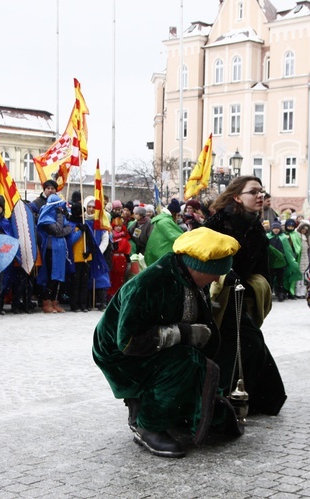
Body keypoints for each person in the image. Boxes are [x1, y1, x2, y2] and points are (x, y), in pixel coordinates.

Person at [92, 227, 244, 458]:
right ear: (199, 266)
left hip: (143, 345)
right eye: (215, 272)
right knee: (183, 361)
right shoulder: (151, 283)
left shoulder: (188, 276)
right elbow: (130, 341)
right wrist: (184, 334)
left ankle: (171, 411)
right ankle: (148, 426)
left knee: (191, 360)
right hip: (118, 352)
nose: (216, 279)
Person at [205, 176, 287, 416]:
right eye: (254, 191)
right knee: (240, 342)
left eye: (262, 191)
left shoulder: (256, 228)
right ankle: (218, 397)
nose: (260, 195)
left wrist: (255, 285)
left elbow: (262, 269)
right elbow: (201, 255)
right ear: (237, 197)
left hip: (240, 295)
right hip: (216, 296)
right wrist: (222, 275)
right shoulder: (218, 222)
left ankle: (247, 397)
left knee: (247, 342)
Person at [144, 200, 185, 267]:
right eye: (177, 215)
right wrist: (189, 238)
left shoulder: (164, 219)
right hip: (160, 255)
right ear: (174, 213)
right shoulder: (165, 221)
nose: (178, 218)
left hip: (156, 252)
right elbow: (174, 236)